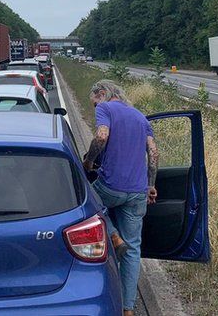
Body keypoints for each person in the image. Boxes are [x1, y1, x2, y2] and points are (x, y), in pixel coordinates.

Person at [83, 80, 158, 316]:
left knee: (86, 201)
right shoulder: (140, 117)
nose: (96, 108)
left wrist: (89, 161)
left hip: (111, 186)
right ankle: (128, 309)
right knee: (134, 249)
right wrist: (151, 185)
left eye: (95, 102)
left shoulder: (106, 109)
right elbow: (153, 153)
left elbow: (102, 137)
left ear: (102, 94)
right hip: (138, 192)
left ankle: (113, 235)